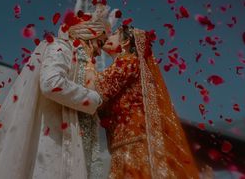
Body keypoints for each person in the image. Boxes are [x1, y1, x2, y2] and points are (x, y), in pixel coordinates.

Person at [0, 4, 111, 179]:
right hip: (51, 146)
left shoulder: (77, 57)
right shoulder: (61, 47)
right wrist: (95, 99)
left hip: (66, 144)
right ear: (89, 34)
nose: (99, 51)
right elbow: (51, 83)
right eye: (100, 43)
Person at [85, 24, 201, 179]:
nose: (108, 37)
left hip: (134, 144)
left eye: (113, 34)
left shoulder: (128, 62)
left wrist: (87, 59)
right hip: (125, 144)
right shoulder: (125, 65)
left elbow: (95, 89)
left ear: (125, 42)